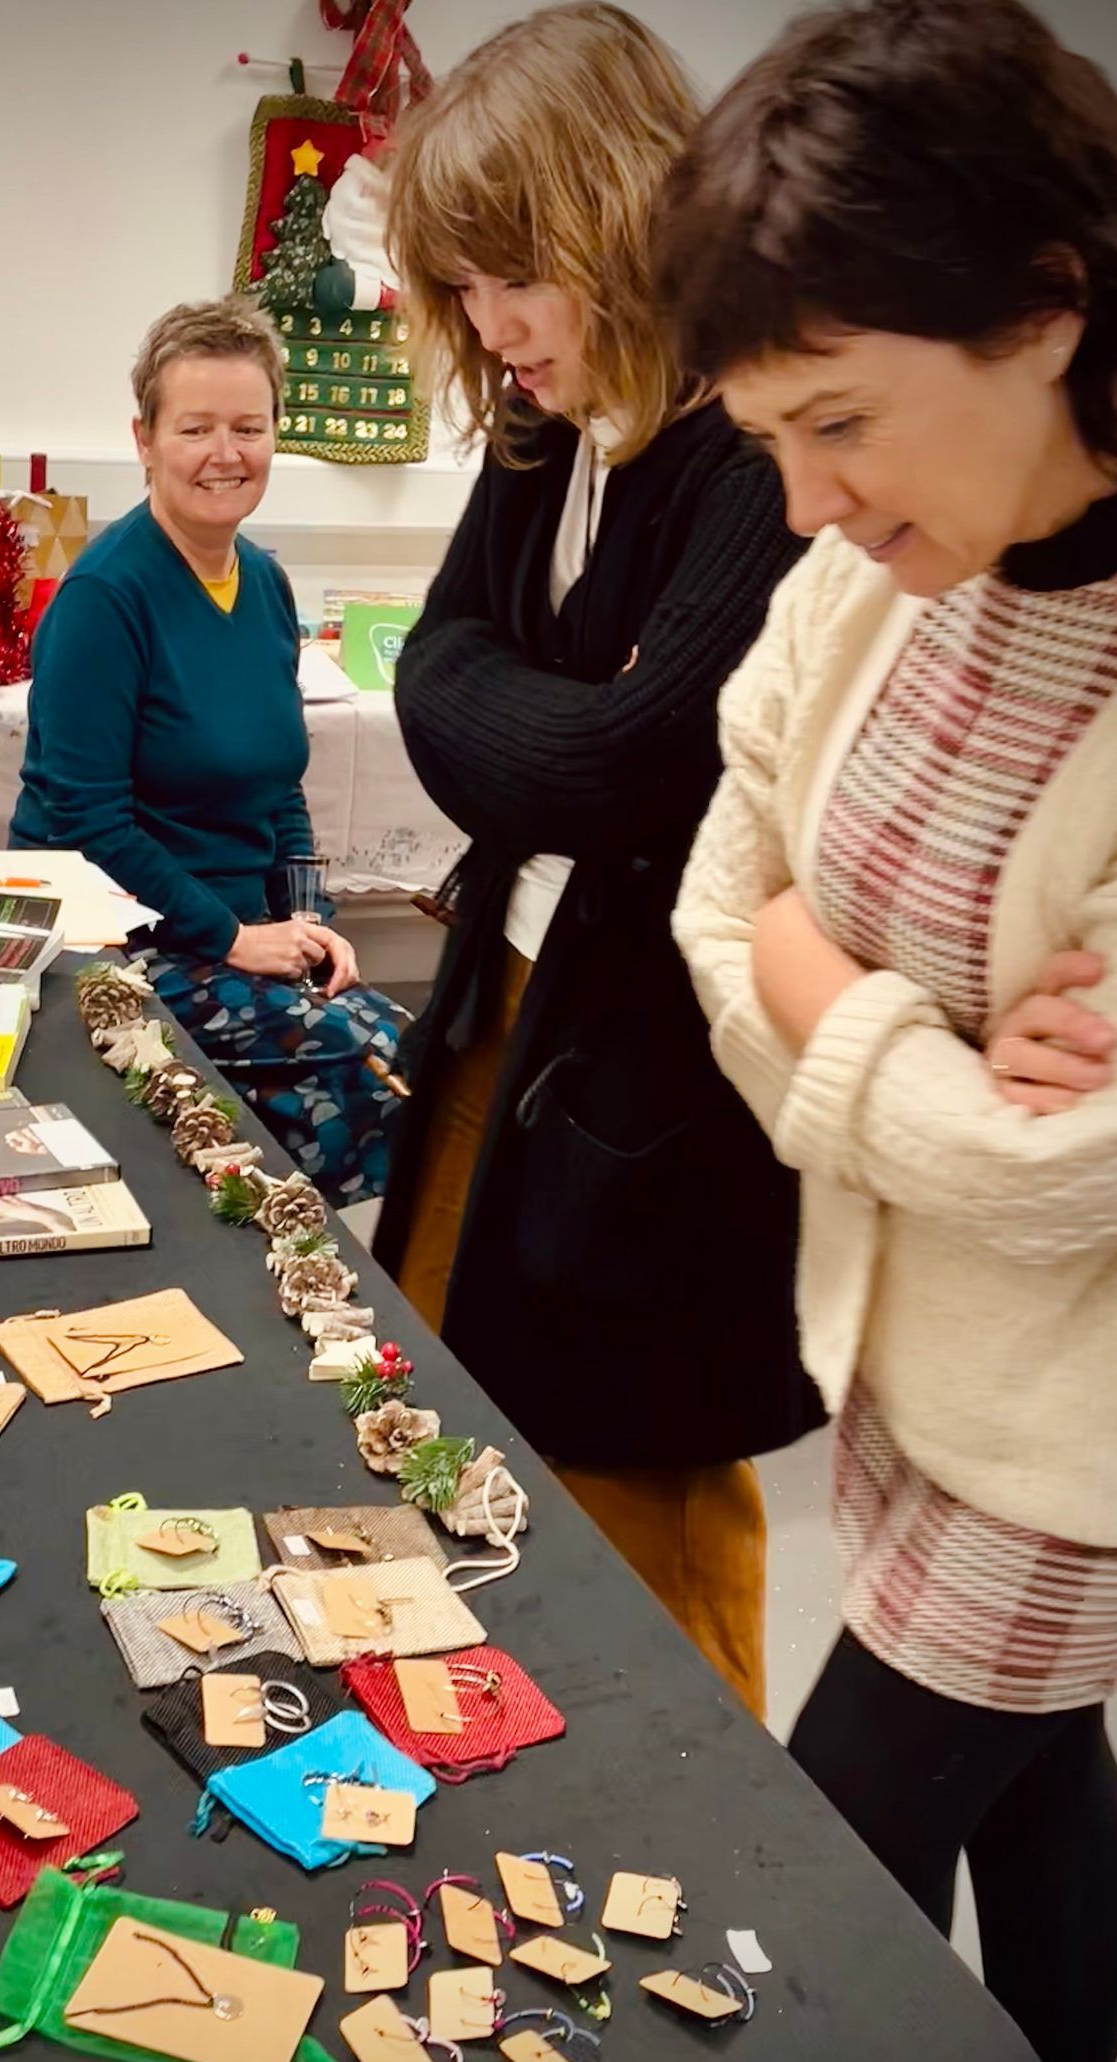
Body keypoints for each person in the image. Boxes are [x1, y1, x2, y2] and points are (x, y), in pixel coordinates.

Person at [657, 2, 1117, 2062]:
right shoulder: (877, 576)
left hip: (1087, 1426)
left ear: (1048, 308)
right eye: (776, 437)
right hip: (898, 1338)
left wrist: (821, 996)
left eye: (842, 421)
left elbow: (1085, 1170)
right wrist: (905, 1037)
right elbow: (711, 896)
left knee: (829, 1870)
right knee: (1039, 1773)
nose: (809, 505)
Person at [370, 3, 821, 1715]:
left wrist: (529, 713)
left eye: (513, 279)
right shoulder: (546, 430)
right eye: (464, 290)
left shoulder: (749, 454)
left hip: (659, 1085)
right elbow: (432, 674)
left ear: (613, 217)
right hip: (517, 1005)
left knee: (640, 1514)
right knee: (455, 1422)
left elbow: (633, 762)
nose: (490, 328)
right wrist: (536, 713)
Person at [9, 297, 405, 1206]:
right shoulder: (105, 599)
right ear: (144, 439)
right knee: (361, 1056)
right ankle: (300, 1279)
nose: (225, 454)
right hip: (116, 943)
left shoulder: (263, 583)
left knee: (402, 1053)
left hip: (237, 937)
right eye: (195, 428)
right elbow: (87, 823)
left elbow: (279, 787)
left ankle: (317, 1278)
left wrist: (306, 921)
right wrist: (234, 937)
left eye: (248, 427)